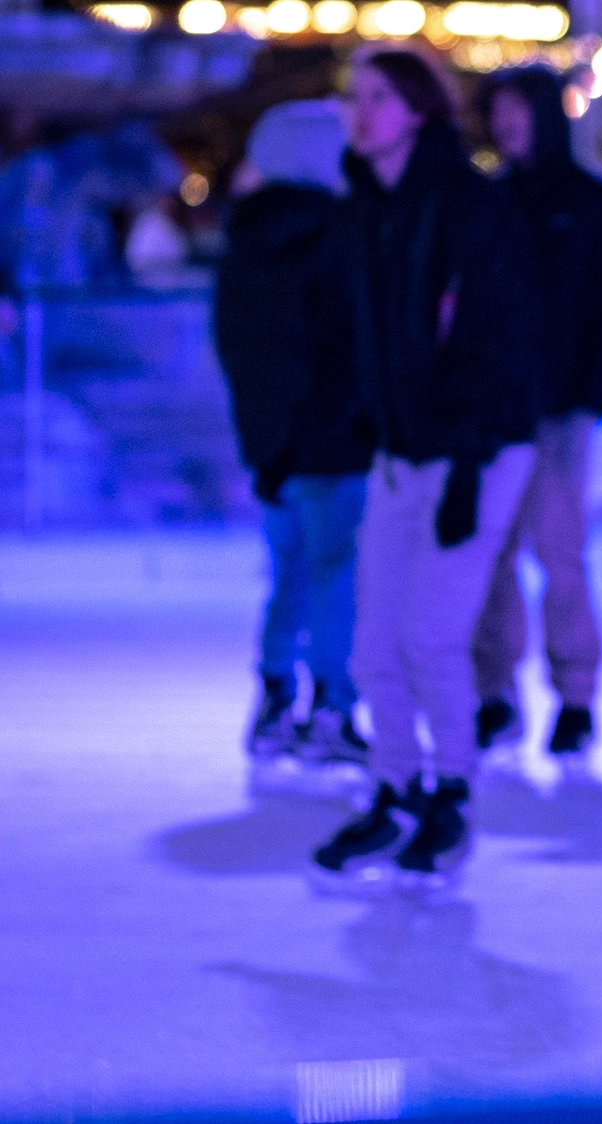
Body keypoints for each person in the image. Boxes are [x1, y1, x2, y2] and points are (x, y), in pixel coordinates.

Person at [308, 51, 542, 892]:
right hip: (401, 452)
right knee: (374, 647)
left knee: (430, 638)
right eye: (354, 98)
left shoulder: (468, 204)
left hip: (480, 450)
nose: (360, 112)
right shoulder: (363, 212)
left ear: (418, 111)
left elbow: (501, 340)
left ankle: (452, 793)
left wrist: (469, 462)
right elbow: (348, 339)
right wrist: (349, 425)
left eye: (379, 97)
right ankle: (396, 789)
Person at [469, 66, 602, 771]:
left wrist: (586, 403)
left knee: (561, 556)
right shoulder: (487, 202)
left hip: (557, 411)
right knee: (490, 556)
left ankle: (575, 697)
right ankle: (495, 693)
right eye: (498, 112)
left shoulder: (593, 206)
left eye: (518, 110)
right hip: (493, 413)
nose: (506, 124)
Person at [213, 99, 375, 794]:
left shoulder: (244, 241)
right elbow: (345, 345)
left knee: (290, 573)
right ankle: (332, 706)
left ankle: (276, 697)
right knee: (337, 575)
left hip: (274, 447)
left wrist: (264, 442)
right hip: (335, 441)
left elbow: (239, 352)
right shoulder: (341, 234)